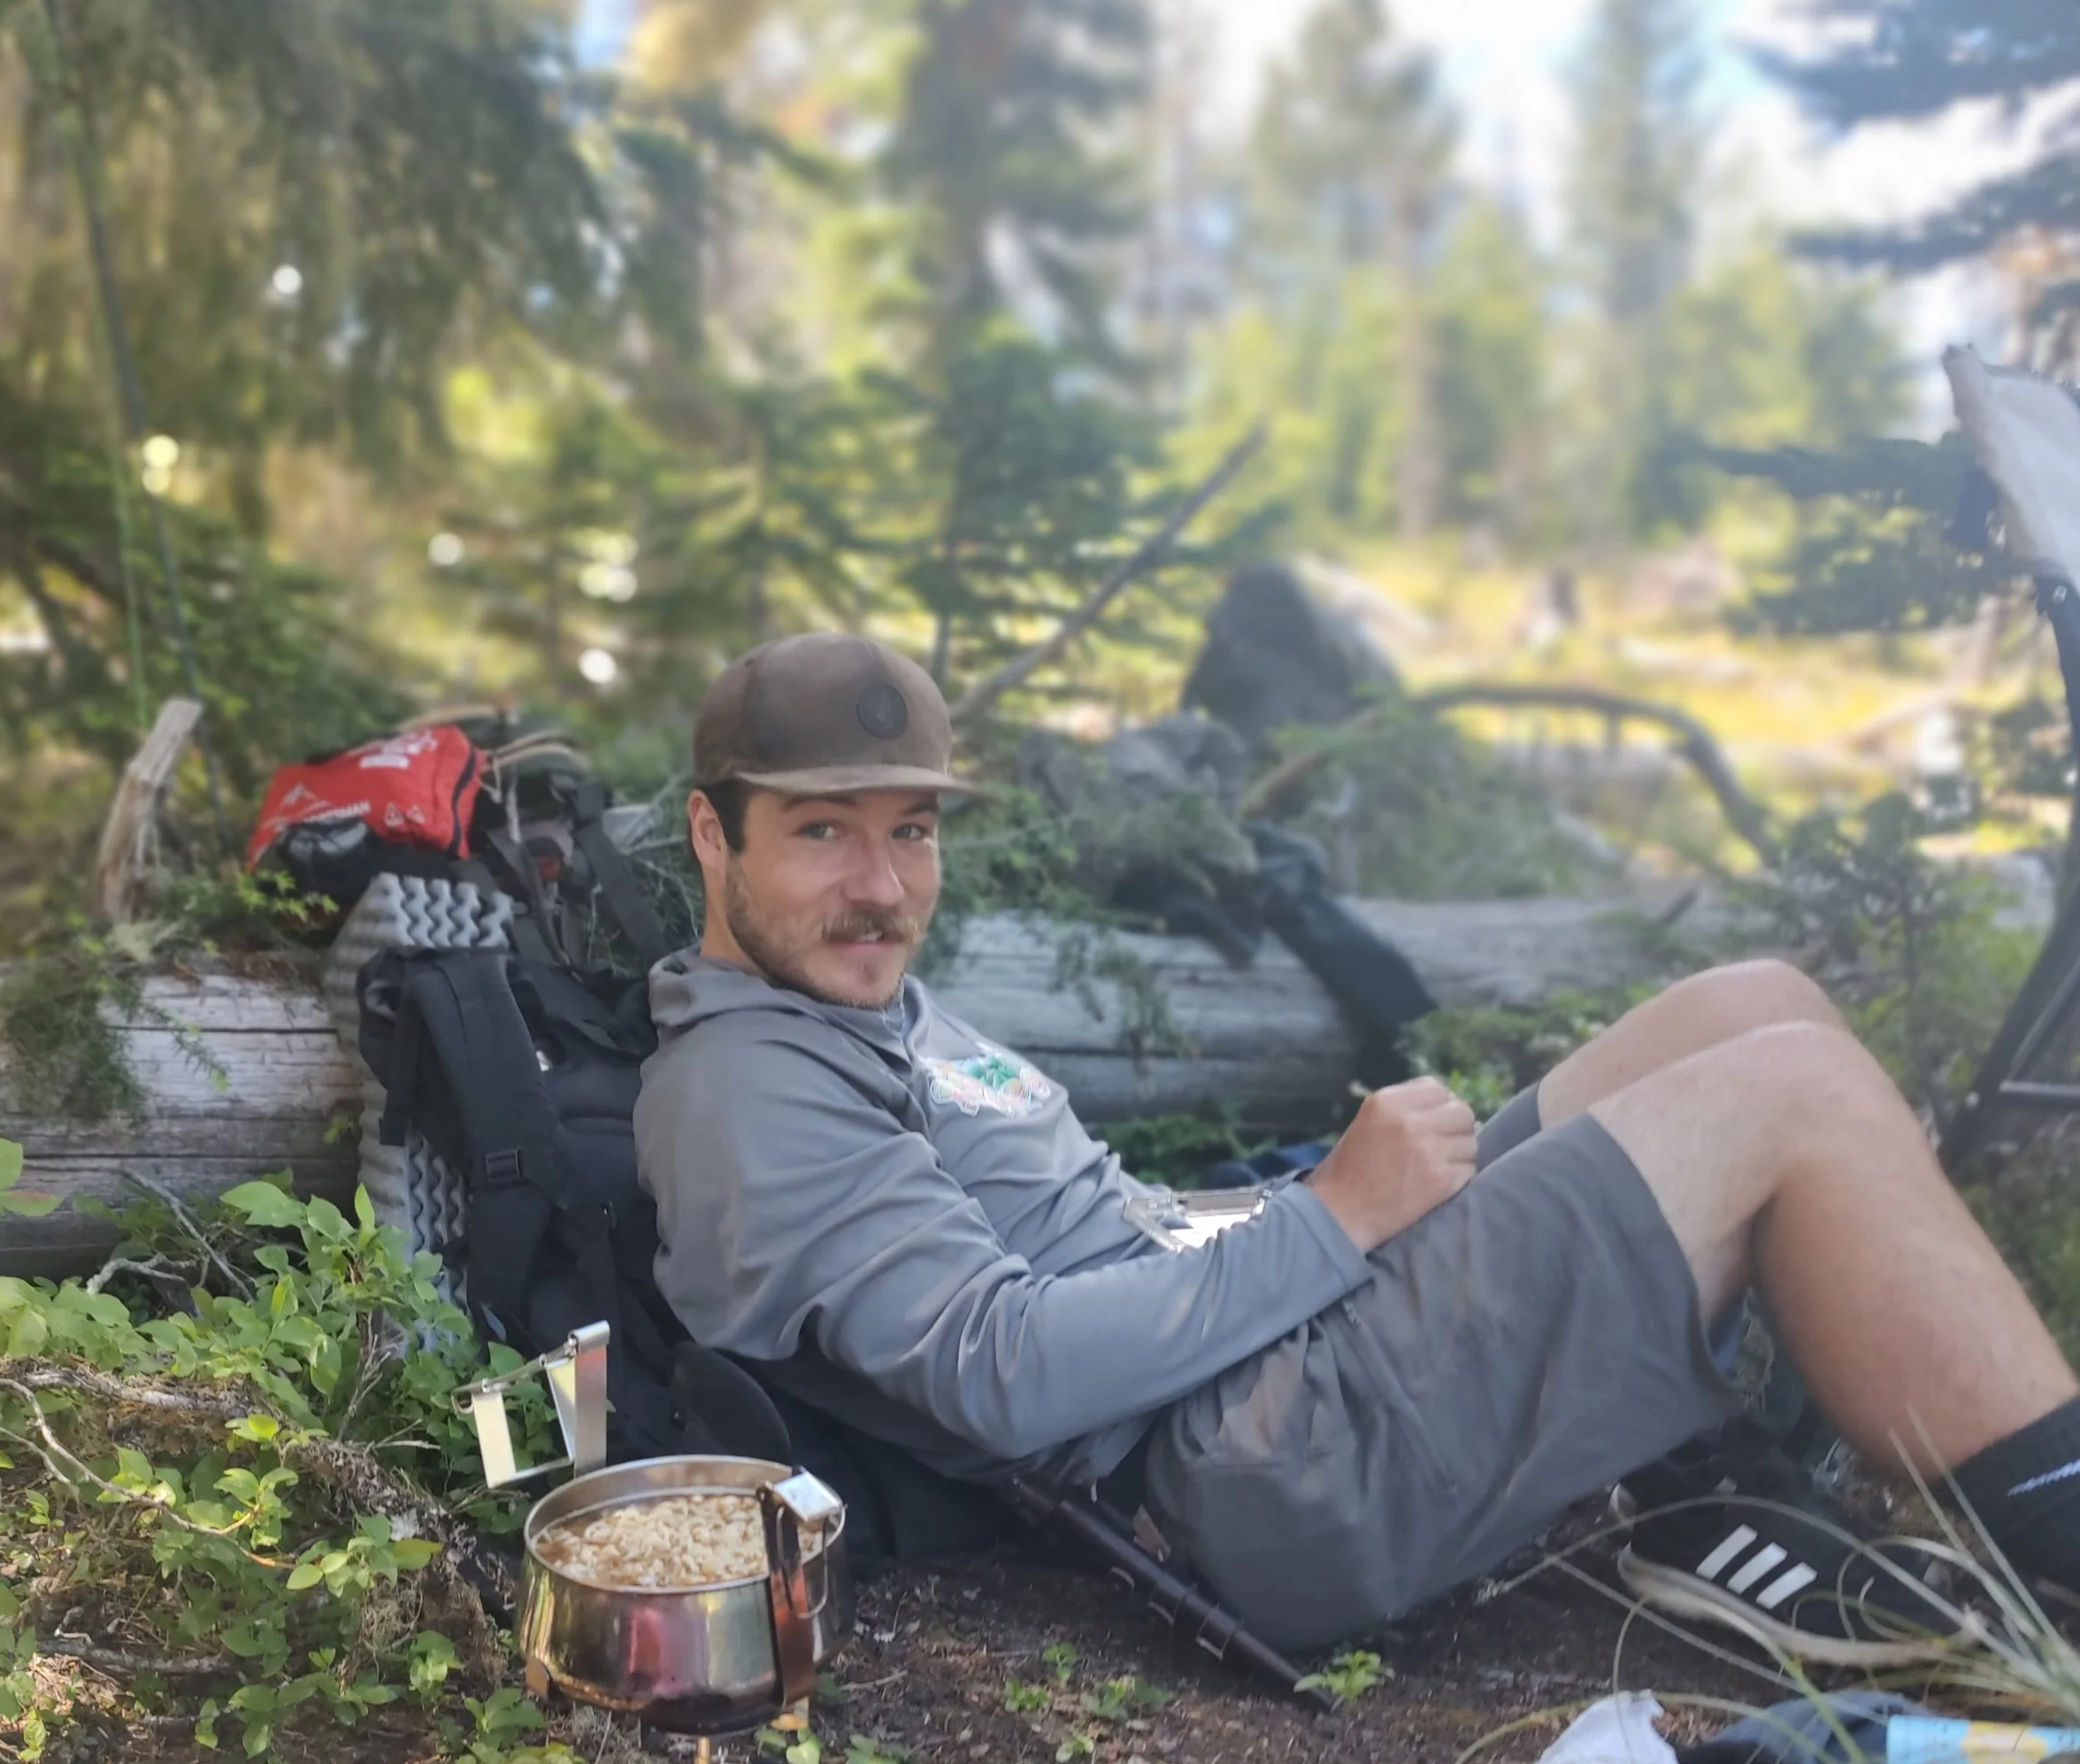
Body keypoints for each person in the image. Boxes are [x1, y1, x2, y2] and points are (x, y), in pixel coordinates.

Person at [633, 632, 2080, 1663]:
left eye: (910, 832)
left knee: (1753, 1006)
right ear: (714, 835)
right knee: (1798, 1096)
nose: (881, 887)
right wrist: (1326, 1219)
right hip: (1254, 1472)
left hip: (1264, 1358)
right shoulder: (752, 1090)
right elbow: (1007, 1374)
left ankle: (1717, 1491)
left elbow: (1094, 1222)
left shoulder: (858, 1003)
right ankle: (2058, 1557)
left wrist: (1280, 1211)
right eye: (823, 831)